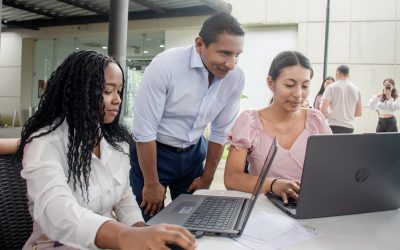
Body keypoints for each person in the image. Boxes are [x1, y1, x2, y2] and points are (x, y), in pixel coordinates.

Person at [17, 51, 196, 250]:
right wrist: (126, 236)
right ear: (80, 92)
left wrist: (140, 230)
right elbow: (57, 213)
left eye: (119, 91)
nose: (117, 99)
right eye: (107, 91)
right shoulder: (45, 144)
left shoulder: (115, 141)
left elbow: (124, 198)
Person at [130, 12, 245, 220]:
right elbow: (144, 130)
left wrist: (207, 177)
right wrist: (151, 183)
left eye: (237, 55)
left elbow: (220, 131)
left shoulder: (235, 77)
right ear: (200, 44)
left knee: (192, 221)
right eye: (225, 53)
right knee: (148, 223)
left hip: (193, 154)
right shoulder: (165, 66)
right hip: (155, 154)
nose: (231, 64)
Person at [224, 51, 332, 204]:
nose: (298, 94)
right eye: (289, 85)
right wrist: (273, 184)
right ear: (270, 83)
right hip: (262, 210)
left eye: (305, 86)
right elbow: (232, 178)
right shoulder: (249, 122)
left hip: (311, 207)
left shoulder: (316, 121)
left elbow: (332, 168)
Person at [320, 65, 362, 134]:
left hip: (332, 125)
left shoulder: (331, 87)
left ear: (337, 73)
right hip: (349, 127)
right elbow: (358, 113)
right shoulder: (356, 89)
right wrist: (346, 115)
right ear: (348, 75)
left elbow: (322, 110)